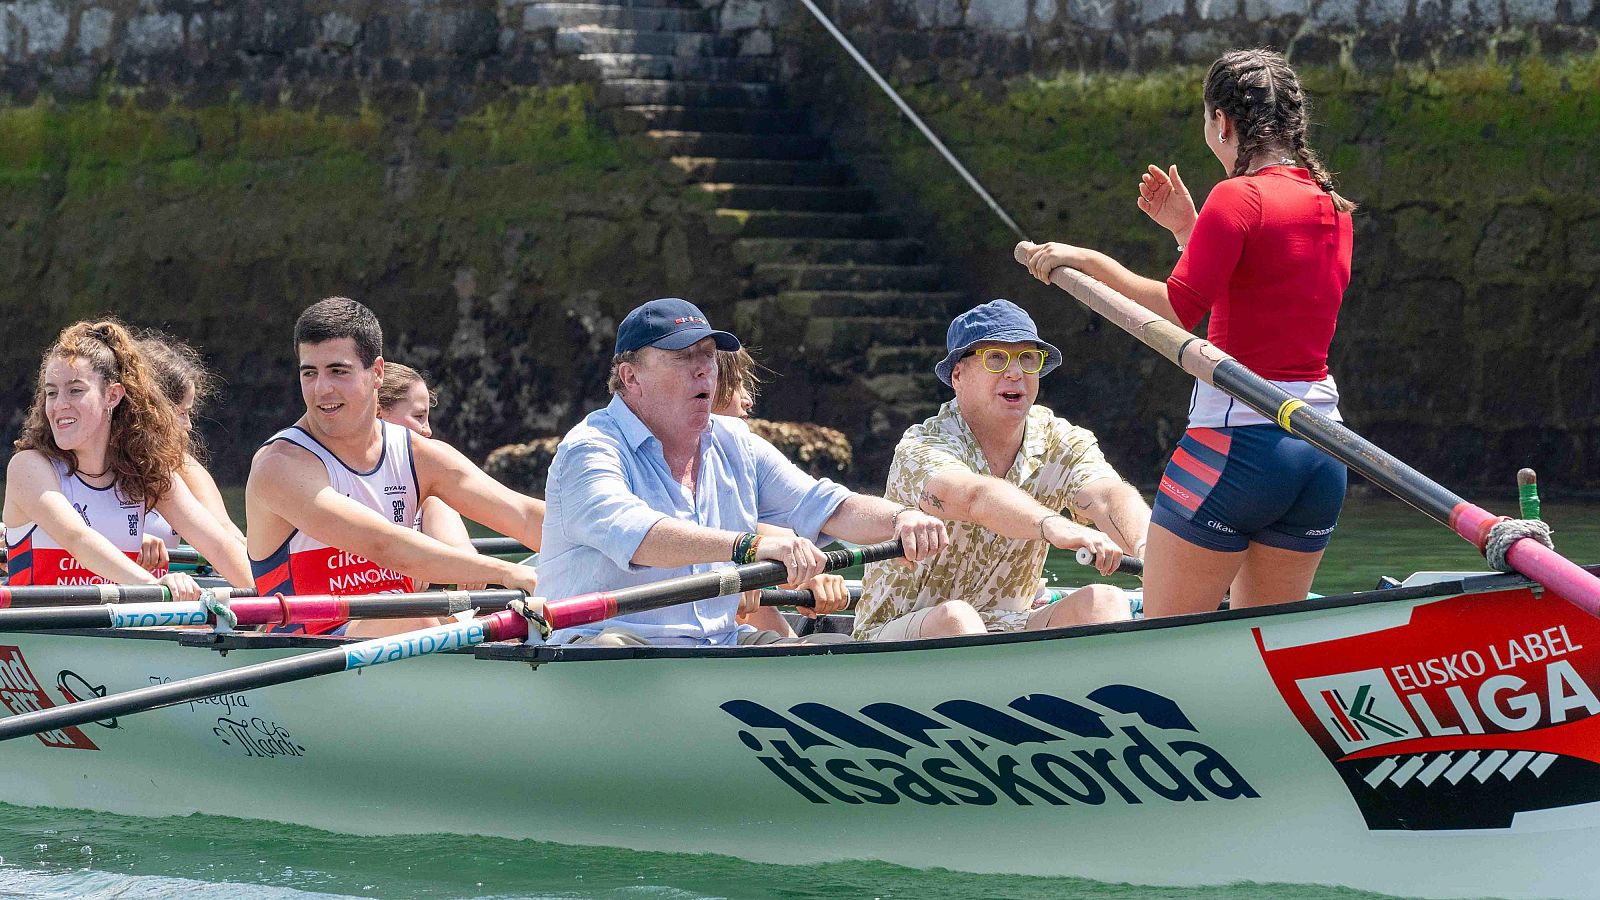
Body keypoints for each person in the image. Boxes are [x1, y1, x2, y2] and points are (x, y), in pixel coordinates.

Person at [1020, 48, 1353, 616]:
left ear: (1221, 121)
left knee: (1167, 636)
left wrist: (1085, 260)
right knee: (1260, 645)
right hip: (1322, 454)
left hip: (1236, 448)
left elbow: (1176, 311)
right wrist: (1188, 230)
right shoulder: (1332, 206)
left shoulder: (1237, 197)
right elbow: (1259, 293)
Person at [537, 297, 949, 646]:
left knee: (835, 651)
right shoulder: (589, 449)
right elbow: (638, 535)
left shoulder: (735, 440)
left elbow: (826, 505)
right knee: (613, 650)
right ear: (631, 377)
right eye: (683, 358)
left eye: (708, 358)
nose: (704, 371)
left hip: (716, 646)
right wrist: (750, 547)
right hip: (605, 644)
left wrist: (901, 518)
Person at [852, 300, 1150, 641]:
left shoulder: (1060, 439)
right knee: (957, 617)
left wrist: (1147, 551)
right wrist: (1054, 527)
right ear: (958, 375)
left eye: (1027, 359)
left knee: (1105, 599)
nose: (1015, 372)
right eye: (996, 358)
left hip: (1007, 625)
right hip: (896, 632)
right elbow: (975, 497)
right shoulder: (921, 447)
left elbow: (1108, 497)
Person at [245, 297, 543, 637]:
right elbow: (384, 545)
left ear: (377, 373)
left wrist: (611, 544)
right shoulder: (280, 465)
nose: (321, 389)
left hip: (394, 637)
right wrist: (503, 572)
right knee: (422, 621)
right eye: (309, 373)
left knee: (462, 622)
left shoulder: (415, 453)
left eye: (338, 372)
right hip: (305, 647)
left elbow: (522, 514)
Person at [4, 320, 254, 599]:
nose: (59, 404)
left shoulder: (144, 472)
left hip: (121, 628)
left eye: (75, 390)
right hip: (44, 634)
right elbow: (77, 538)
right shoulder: (29, 467)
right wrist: (156, 589)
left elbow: (218, 544)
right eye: (52, 392)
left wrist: (271, 603)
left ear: (112, 395)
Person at [711, 348, 852, 638]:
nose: (748, 400)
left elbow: (777, 539)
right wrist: (727, 576)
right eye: (736, 386)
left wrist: (810, 579)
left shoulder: (743, 454)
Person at [137, 330, 248, 556]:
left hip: (162, 585)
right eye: (181, 413)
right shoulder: (89, 459)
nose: (188, 425)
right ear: (151, 411)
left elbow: (225, 533)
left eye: (189, 413)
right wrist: (125, 542)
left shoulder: (179, 464)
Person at [377, 362, 485, 591]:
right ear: (378, 414)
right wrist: (414, 559)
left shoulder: (425, 482)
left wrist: (465, 556)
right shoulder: (338, 477)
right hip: (346, 618)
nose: (428, 430)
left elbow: (453, 541)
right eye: (418, 416)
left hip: (404, 612)